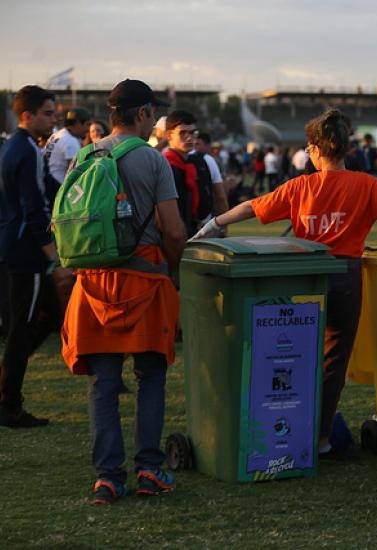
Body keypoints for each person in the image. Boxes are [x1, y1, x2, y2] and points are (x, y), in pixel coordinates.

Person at [192, 109, 377, 458]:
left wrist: (212, 224)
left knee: (292, 355)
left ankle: (283, 430)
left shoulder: (301, 186)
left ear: (314, 148)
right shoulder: (365, 185)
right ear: (347, 148)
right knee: (331, 363)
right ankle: (322, 438)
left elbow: (252, 206)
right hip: (345, 275)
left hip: (304, 274)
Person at [60, 79, 185, 504]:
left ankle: (108, 477)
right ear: (145, 113)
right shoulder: (153, 159)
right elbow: (173, 229)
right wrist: (174, 268)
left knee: (103, 385)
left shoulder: (87, 153)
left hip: (93, 283)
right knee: (150, 377)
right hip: (144, 280)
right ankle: (149, 469)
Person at [0, 85, 66, 428]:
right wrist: (53, 258)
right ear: (28, 115)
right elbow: (34, 209)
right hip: (25, 253)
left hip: (15, 246)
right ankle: (9, 405)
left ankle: (7, 388)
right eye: (48, 113)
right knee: (20, 329)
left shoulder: (14, 146)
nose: (55, 118)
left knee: (48, 318)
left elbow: (45, 193)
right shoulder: (26, 150)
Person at [162, 110, 200, 234]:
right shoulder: (166, 165)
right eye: (183, 133)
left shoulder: (190, 163)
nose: (189, 138)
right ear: (168, 135)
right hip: (173, 235)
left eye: (192, 133)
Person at [44, 107, 90, 184]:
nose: (88, 129)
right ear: (78, 123)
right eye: (87, 124)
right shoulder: (70, 141)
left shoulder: (56, 135)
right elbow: (74, 175)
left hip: (48, 183)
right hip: (58, 188)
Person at [193, 131, 229, 220]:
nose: (195, 147)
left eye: (198, 144)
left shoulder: (212, 160)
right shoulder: (208, 159)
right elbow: (221, 196)